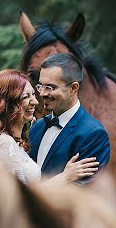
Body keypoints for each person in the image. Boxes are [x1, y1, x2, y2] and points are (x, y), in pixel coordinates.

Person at [0, 69, 99, 184]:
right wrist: (65, 177)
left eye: (33, 94)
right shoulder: (5, 144)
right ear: (7, 104)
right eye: (26, 97)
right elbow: (24, 200)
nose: (35, 101)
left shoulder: (14, 142)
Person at [29, 53, 110, 183]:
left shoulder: (93, 134)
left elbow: (80, 192)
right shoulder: (36, 126)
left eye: (50, 87)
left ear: (73, 88)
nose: (42, 93)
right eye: (40, 86)